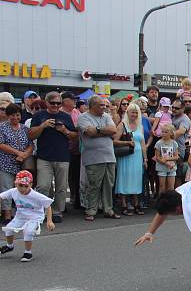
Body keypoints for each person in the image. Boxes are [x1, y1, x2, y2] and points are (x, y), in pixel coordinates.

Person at [27, 91, 78, 223]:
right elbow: (31, 135)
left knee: (61, 187)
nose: (55, 106)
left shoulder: (66, 116)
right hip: (44, 157)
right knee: (43, 186)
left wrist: (64, 130)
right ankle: (43, 210)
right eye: (53, 103)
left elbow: (75, 135)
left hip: (62, 156)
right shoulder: (39, 115)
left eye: (58, 103)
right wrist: (43, 126)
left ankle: (57, 211)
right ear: (47, 103)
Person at [78, 96, 119, 221]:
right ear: (93, 106)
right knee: (94, 185)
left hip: (109, 156)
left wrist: (98, 130)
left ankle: (108, 209)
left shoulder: (106, 116)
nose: (105, 108)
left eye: (105, 105)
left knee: (109, 184)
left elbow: (113, 130)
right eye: (101, 105)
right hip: (93, 157)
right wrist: (103, 131)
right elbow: (89, 132)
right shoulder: (83, 117)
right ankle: (91, 210)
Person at [0, 170, 55, 262]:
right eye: (20, 186)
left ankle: (28, 252)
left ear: (31, 185)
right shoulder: (14, 192)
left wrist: (49, 221)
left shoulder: (36, 195)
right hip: (20, 216)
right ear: (16, 184)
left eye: (26, 186)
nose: (23, 189)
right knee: (9, 229)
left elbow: (48, 206)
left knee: (28, 231)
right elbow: (1, 197)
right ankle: (10, 246)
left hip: (35, 217)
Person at [0, 104, 33, 224]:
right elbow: (1, 144)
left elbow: (31, 144)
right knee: (6, 188)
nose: (15, 117)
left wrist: (24, 154)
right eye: (12, 115)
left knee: (22, 189)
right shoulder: (2, 127)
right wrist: (18, 152)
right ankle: (7, 215)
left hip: (22, 163)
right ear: (8, 116)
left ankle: (22, 214)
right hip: (6, 163)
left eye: (17, 115)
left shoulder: (24, 128)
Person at [113, 102, 147, 215]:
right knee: (124, 178)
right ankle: (124, 204)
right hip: (126, 155)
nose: (134, 115)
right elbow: (114, 141)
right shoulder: (122, 125)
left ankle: (136, 204)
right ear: (127, 112)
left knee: (136, 179)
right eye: (132, 112)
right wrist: (127, 142)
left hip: (137, 157)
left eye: (136, 112)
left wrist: (145, 159)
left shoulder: (140, 126)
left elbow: (143, 144)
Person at [154, 124, 180, 193]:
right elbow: (157, 157)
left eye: (166, 132)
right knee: (162, 187)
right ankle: (161, 202)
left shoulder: (174, 143)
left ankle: (170, 202)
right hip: (162, 168)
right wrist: (166, 163)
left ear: (171, 133)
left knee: (171, 188)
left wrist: (167, 159)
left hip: (172, 168)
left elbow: (176, 156)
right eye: (162, 132)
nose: (164, 134)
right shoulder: (158, 143)